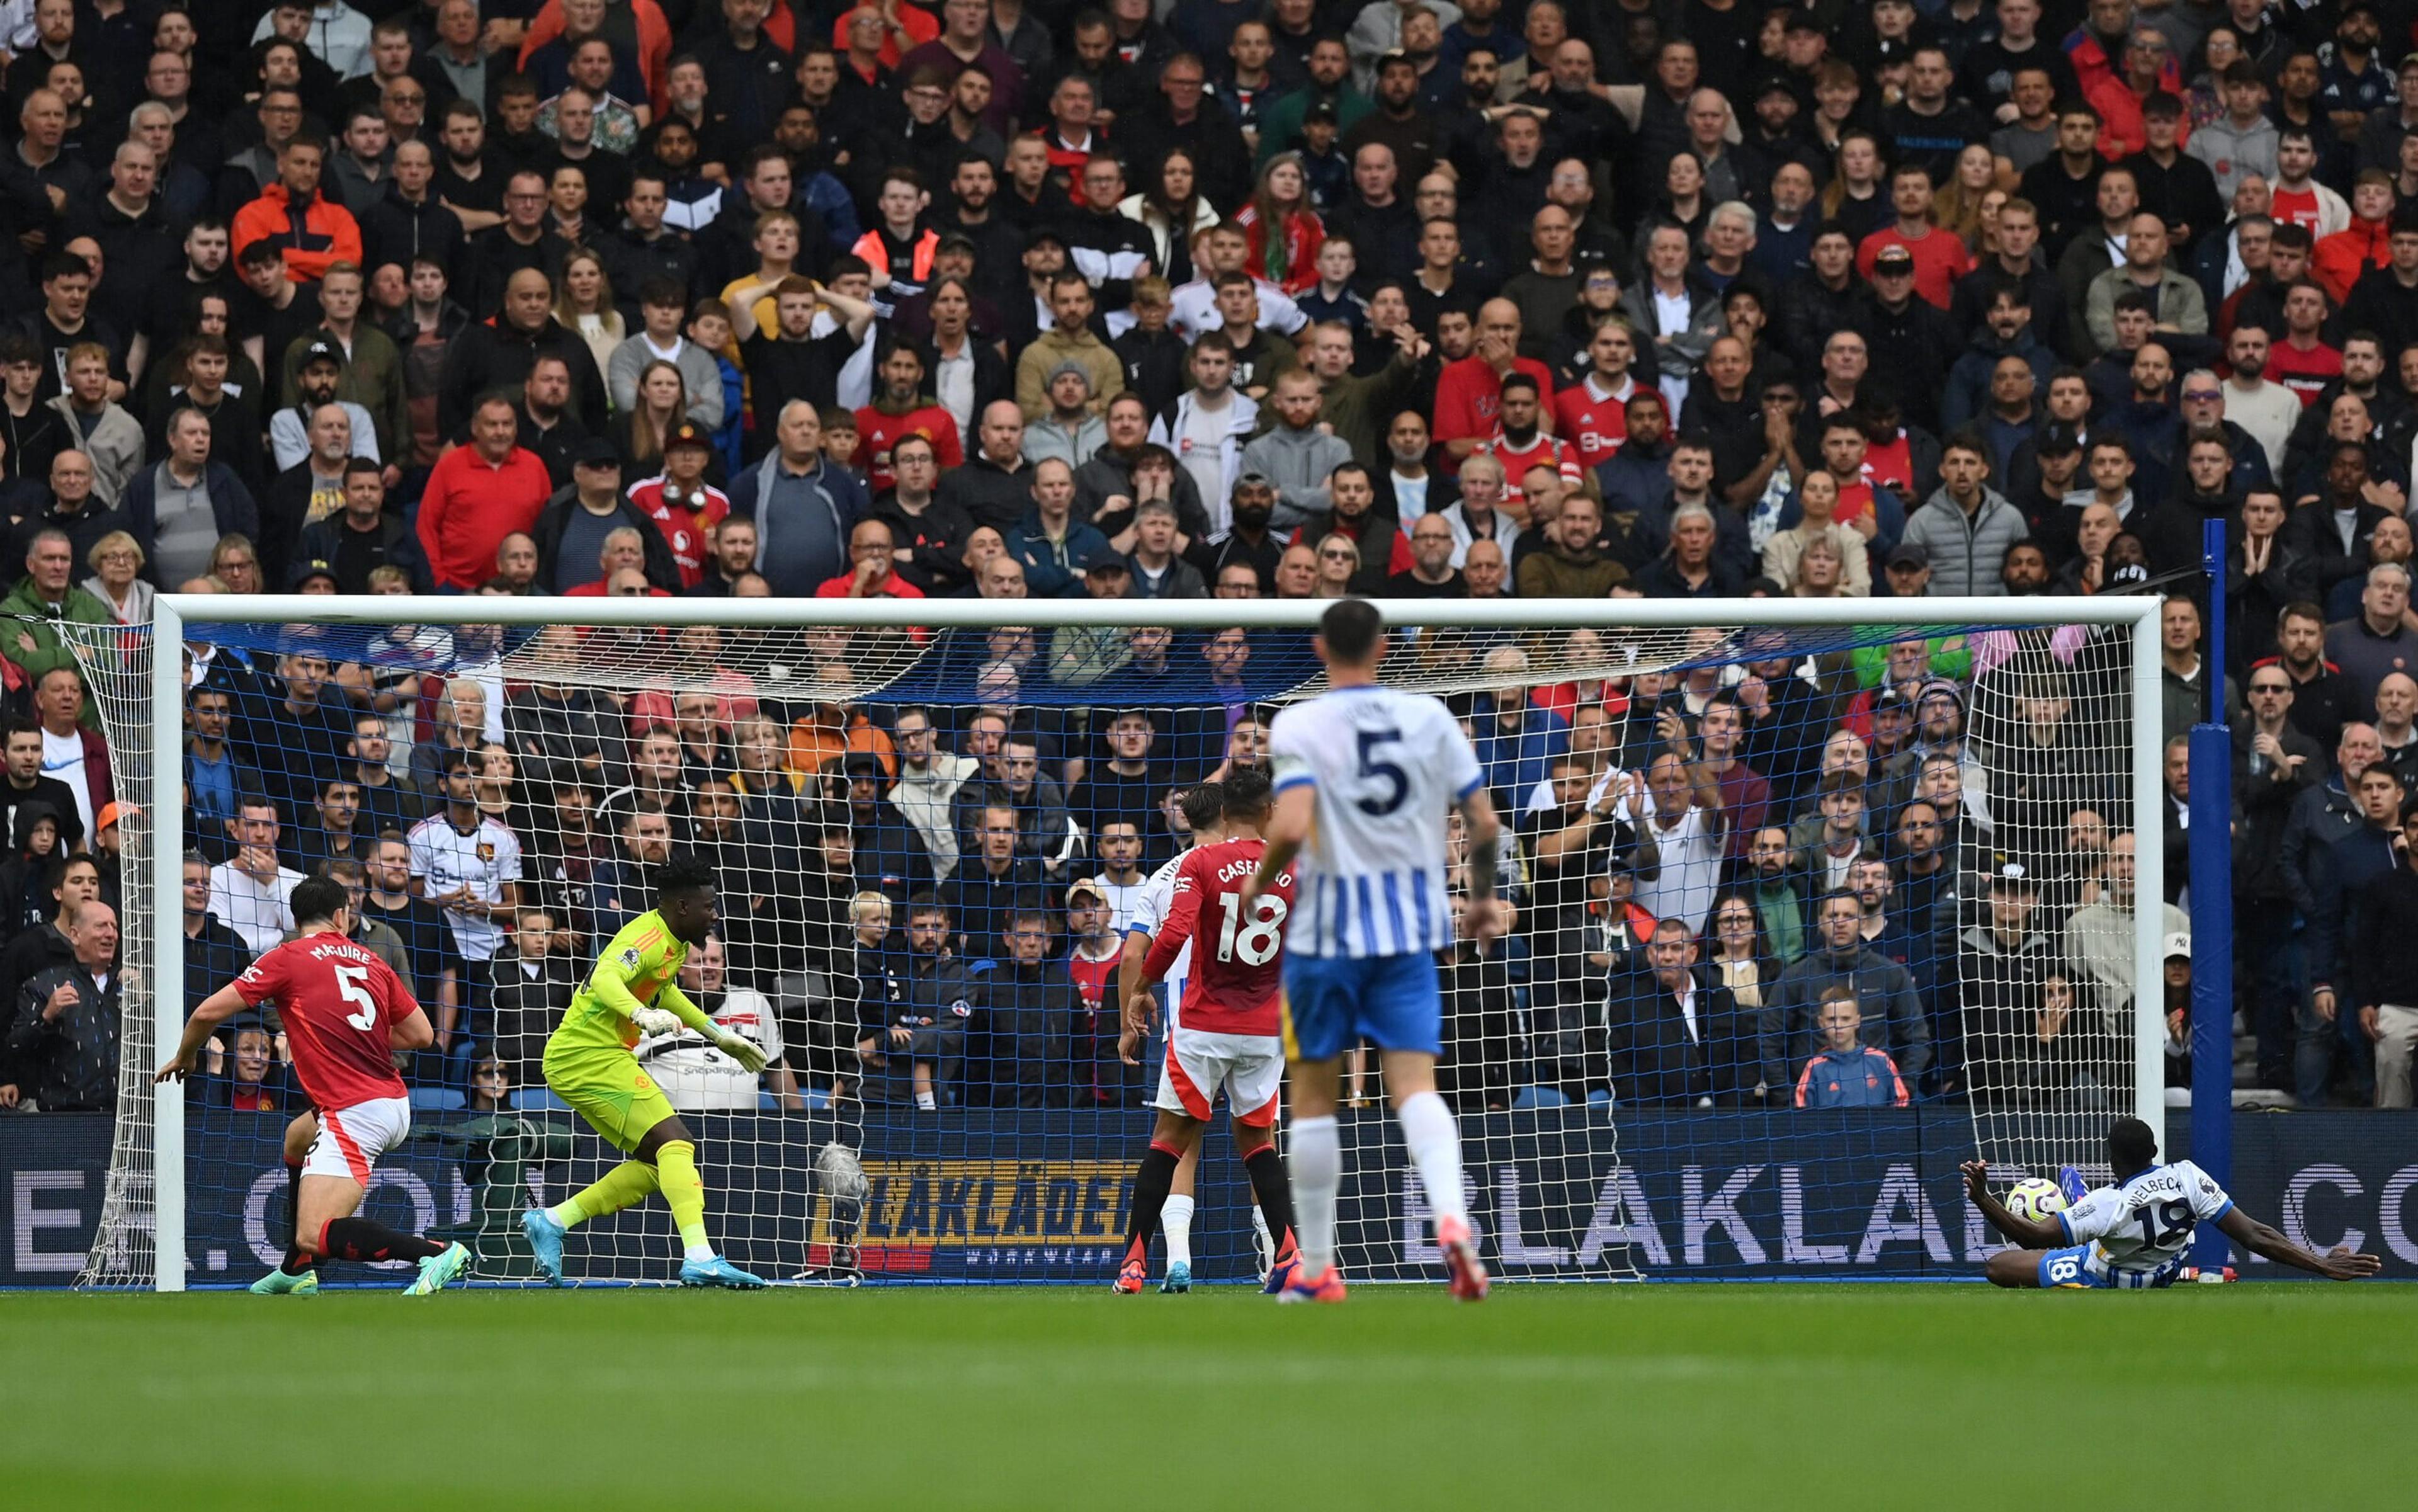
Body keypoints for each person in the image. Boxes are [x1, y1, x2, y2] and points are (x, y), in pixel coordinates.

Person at [1246, 599, 1502, 1302]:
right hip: (1410, 933)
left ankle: (1322, 1267)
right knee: (1416, 1088)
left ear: (1321, 646)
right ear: (1385, 646)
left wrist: (1260, 885)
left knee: (1314, 1101)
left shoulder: (1299, 721)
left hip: (1326, 937)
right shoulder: (1429, 716)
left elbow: (1293, 824)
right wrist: (1479, 896)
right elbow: (1483, 821)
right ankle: (1453, 1219)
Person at [155, 876, 470, 1296]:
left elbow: (207, 1011)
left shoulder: (287, 957)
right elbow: (422, 1035)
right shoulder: (371, 959)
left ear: (296, 917)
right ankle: (296, 1269)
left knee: (313, 1232)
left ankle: (434, 1251)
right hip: (391, 1099)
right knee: (296, 1137)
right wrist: (360, 1034)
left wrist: (186, 1055)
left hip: (355, 1111)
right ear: (341, 915)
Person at [519, 856, 773, 1289]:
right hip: (588, 1055)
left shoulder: (672, 943)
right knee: (677, 1141)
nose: (715, 914)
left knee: (660, 1162)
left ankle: (552, 1221)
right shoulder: (649, 936)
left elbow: (665, 990)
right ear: (682, 906)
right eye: (709, 906)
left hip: (590, 1058)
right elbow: (605, 977)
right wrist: (639, 1013)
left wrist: (718, 1034)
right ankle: (700, 1256)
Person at [1113, 768, 1299, 1296]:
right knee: (1258, 1141)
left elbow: (1172, 934)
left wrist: (1142, 987)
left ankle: (1134, 1263)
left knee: (1170, 1140)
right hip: (1265, 1025)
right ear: (1267, 811)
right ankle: (1287, 1256)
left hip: (1203, 1021)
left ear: (1223, 814)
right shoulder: (1293, 865)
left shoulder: (1198, 862)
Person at [1964, 1116, 2381, 1288]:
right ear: (2155, 1149)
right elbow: (2256, 1234)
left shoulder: (2112, 1201)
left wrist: (1984, 1198)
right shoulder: (2187, 1175)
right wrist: (2322, 1261)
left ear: (2112, 1160)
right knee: (2092, 1220)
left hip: (2112, 1274)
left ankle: (2080, 1219)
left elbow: (2032, 1234)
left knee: (1998, 1266)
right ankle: (2080, 1214)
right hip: (2168, 1267)